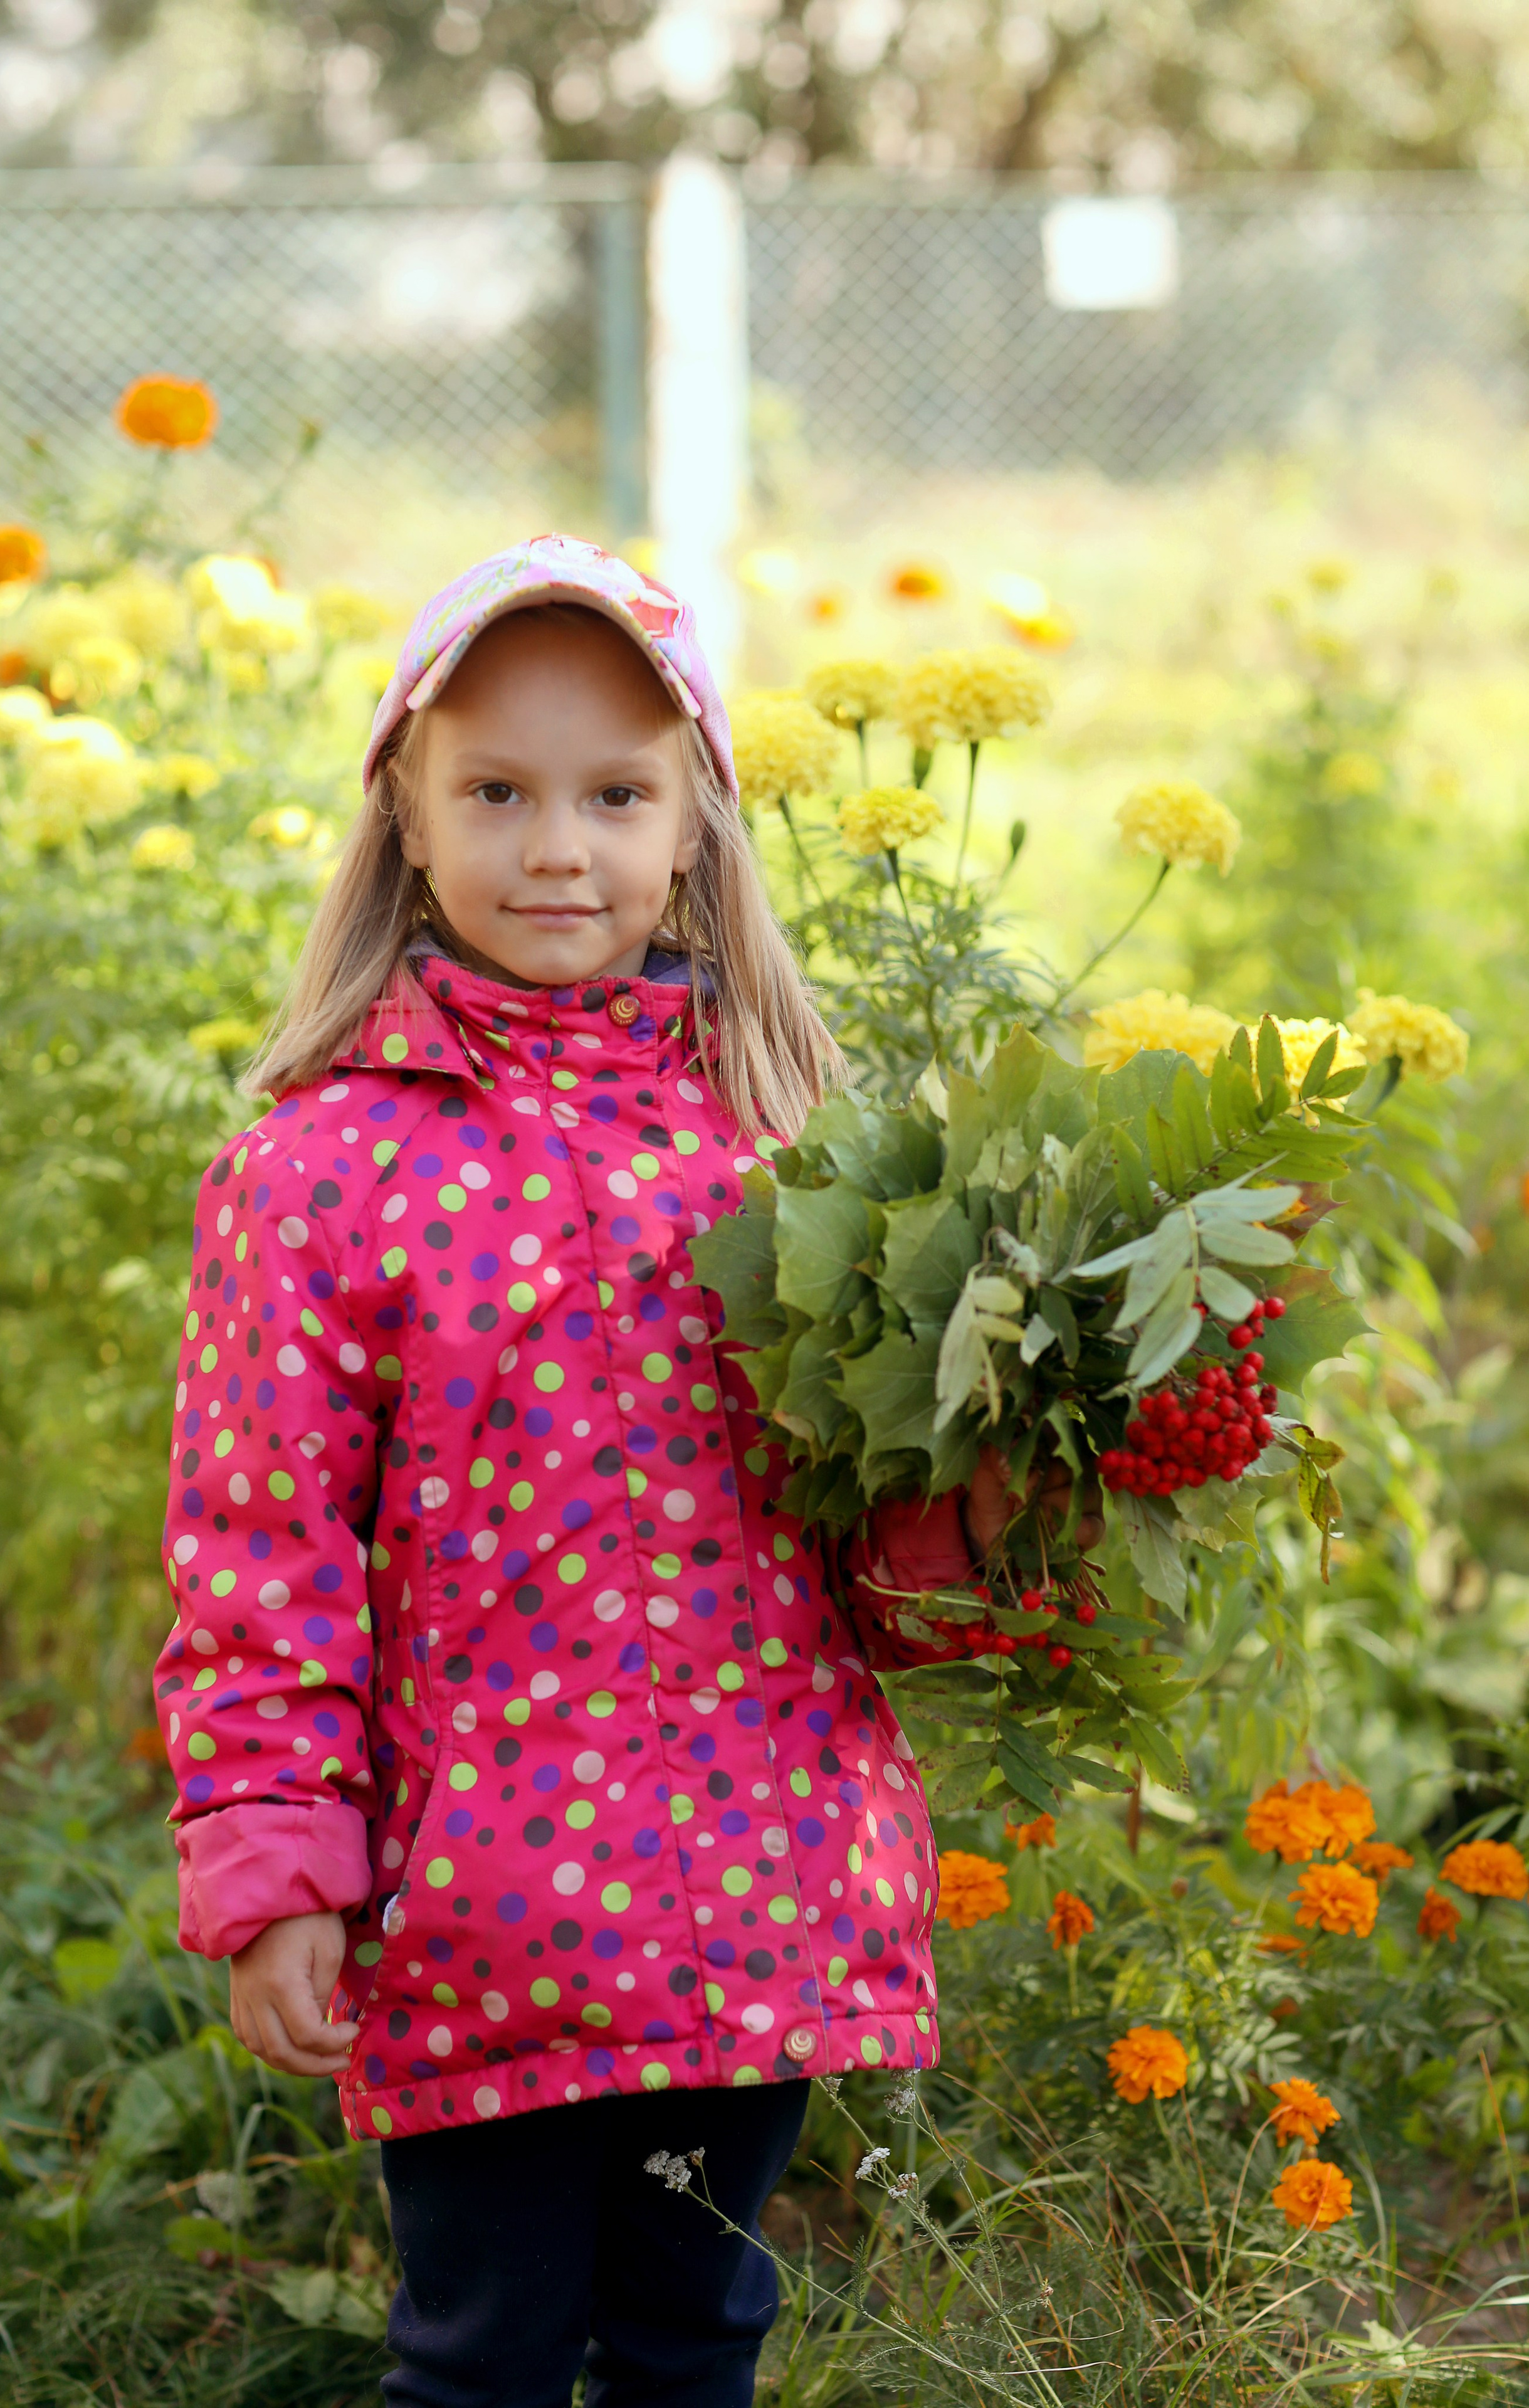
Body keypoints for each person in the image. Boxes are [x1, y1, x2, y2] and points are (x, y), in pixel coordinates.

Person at [153, 533, 1071, 2408]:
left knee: (695, 2338)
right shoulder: (320, 1174)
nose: (556, 847)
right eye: (497, 791)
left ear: (695, 827)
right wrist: (273, 1867)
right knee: (479, 2357)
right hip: (472, 1911)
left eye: (613, 795)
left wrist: (1025, 1483)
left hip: (759, 1897)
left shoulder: (802, 1160)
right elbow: (261, 1549)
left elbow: (877, 1554)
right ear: (405, 816)